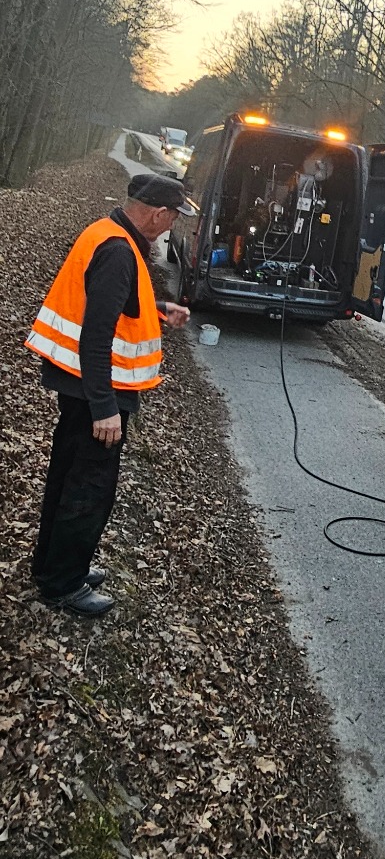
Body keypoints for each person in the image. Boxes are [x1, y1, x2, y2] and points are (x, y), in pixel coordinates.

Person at [25, 173, 197, 617]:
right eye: (173, 217)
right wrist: (105, 408)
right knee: (89, 489)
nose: (172, 227)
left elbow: (110, 304)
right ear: (158, 213)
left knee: (67, 477)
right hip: (96, 394)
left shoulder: (109, 233)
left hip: (80, 387)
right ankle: (63, 585)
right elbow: (96, 335)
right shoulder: (119, 252)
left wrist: (159, 310)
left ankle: (52, 567)